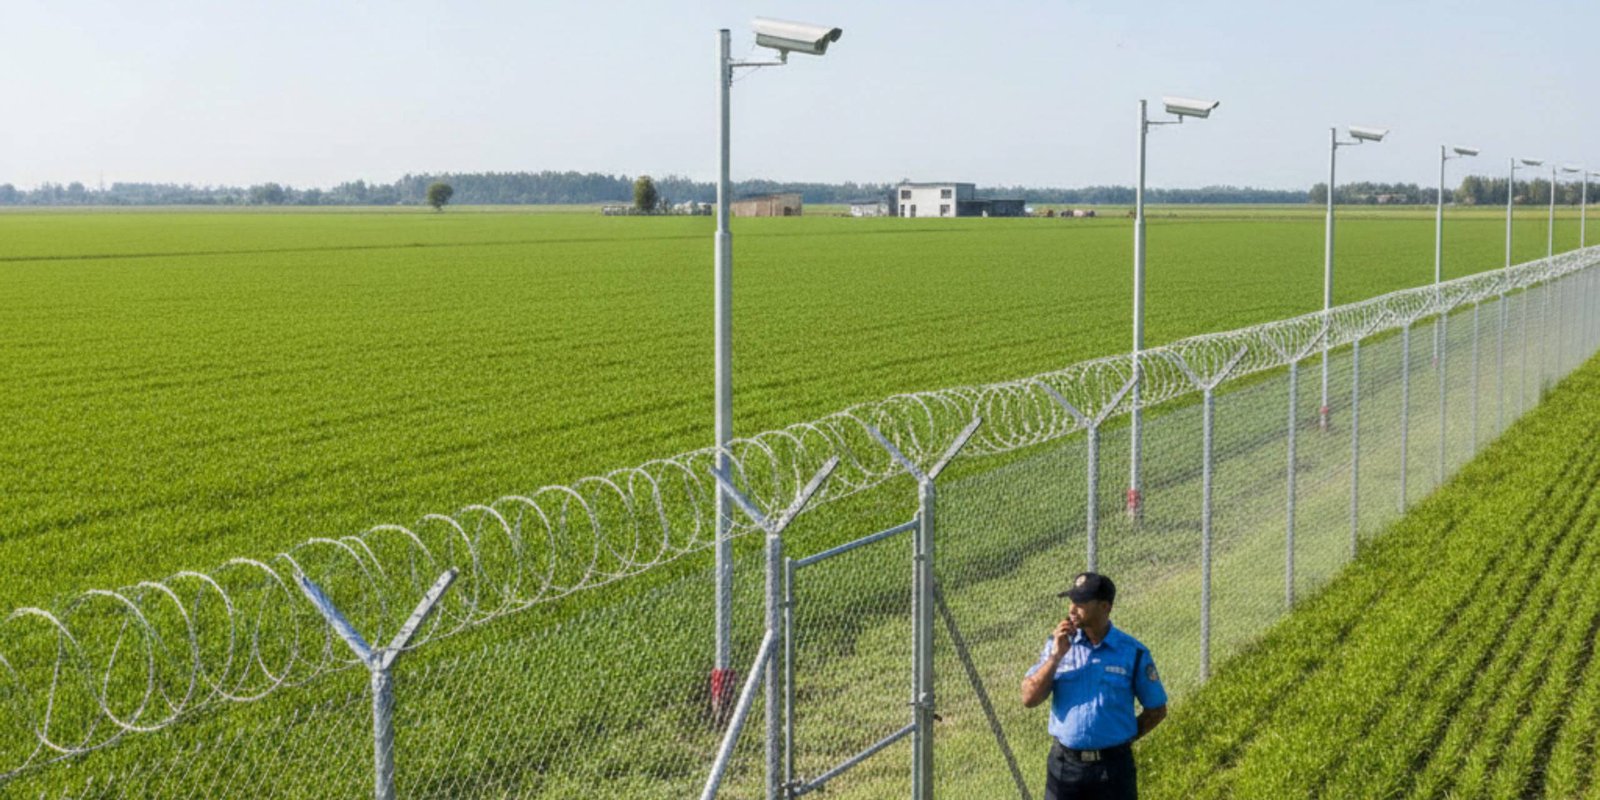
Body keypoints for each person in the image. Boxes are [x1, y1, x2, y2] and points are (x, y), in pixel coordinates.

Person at [1020, 572, 1168, 800]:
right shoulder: (1057, 644)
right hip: (1064, 768)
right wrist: (1055, 657)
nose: (1072, 608)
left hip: (1114, 770)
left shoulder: (1132, 652)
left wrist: (1122, 739)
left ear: (1104, 607)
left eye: (1081, 602)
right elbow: (1029, 699)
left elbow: (1156, 709)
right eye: (1072, 601)